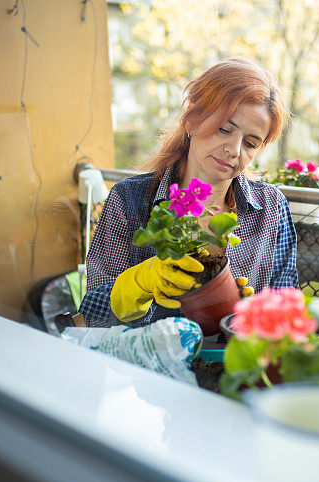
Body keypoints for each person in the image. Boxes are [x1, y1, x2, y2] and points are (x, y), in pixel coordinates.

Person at [79, 57, 298, 328]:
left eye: (251, 143)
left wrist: (251, 316)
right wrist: (140, 285)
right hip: (148, 364)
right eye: (224, 129)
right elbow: (94, 314)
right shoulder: (129, 200)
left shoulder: (272, 207)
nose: (234, 149)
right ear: (192, 120)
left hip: (232, 366)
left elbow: (287, 310)